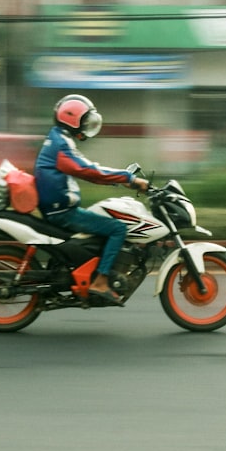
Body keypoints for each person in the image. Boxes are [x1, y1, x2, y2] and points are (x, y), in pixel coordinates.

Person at [34, 94, 149, 306]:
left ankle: (96, 268)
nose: (88, 125)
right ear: (72, 120)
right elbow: (88, 170)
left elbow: (89, 170)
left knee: (106, 217)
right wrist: (129, 178)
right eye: (84, 120)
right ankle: (101, 281)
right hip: (63, 213)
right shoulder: (61, 145)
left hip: (58, 207)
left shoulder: (59, 138)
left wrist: (120, 180)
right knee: (118, 228)